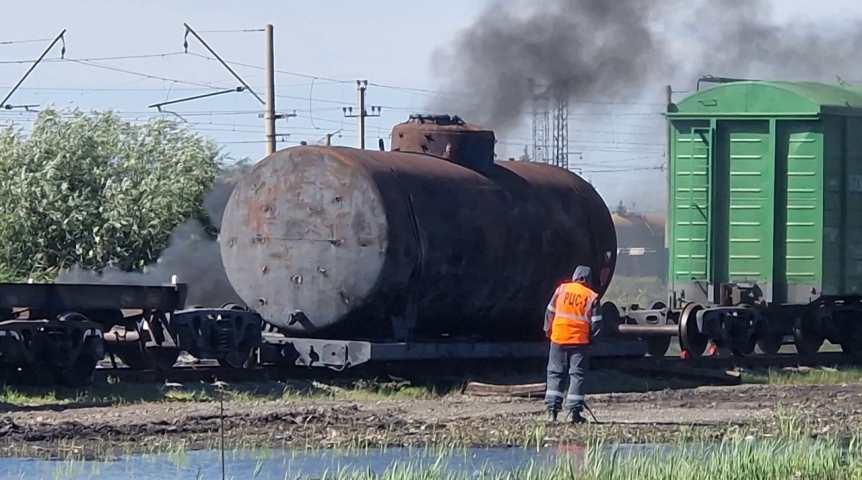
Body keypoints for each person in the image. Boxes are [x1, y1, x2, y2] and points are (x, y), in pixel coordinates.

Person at [543, 265, 603, 424]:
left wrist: (548, 331)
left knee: (555, 373)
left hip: (558, 339)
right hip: (579, 343)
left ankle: (552, 412)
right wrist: (592, 341)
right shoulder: (591, 296)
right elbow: (597, 324)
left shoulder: (561, 290)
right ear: (588, 279)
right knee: (576, 375)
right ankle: (575, 413)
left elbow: (549, 312)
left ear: (575, 276)